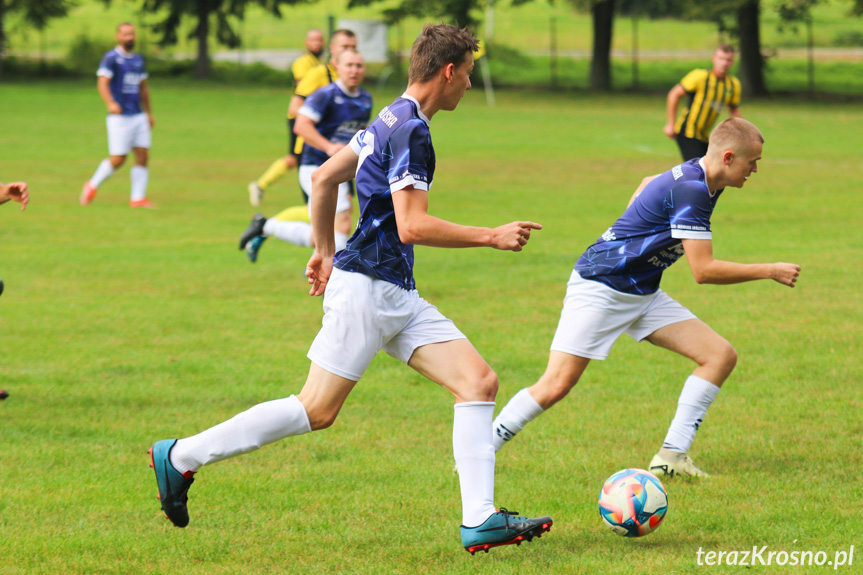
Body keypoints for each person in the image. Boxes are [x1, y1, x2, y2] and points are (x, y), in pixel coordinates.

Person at [149, 24, 552, 554]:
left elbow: (324, 178)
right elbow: (411, 226)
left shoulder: (387, 116)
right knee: (317, 409)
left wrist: (322, 249)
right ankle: (181, 456)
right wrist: (491, 235)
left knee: (478, 382)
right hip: (367, 290)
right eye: (469, 76)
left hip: (393, 291)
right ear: (449, 71)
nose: (471, 87)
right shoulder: (413, 131)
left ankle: (479, 519)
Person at [492, 118, 801, 479]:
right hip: (602, 287)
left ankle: (671, 456)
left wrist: (632, 229)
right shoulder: (695, 190)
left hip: (642, 290)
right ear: (729, 158)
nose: (756, 169)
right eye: (753, 162)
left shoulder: (703, 176)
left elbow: (646, 184)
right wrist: (769, 270)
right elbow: (703, 271)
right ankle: (480, 449)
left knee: (719, 356)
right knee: (556, 384)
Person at [239, 48, 372, 263]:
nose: (354, 70)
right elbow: (301, 126)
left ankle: (267, 227)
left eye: (359, 65)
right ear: (337, 67)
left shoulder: (365, 98)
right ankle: (328, 272)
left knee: (327, 232)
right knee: (340, 225)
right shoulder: (325, 95)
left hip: (339, 170)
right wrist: (329, 147)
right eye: (349, 65)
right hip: (315, 167)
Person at [247, 29, 356, 207]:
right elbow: (296, 106)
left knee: (344, 206)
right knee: (319, 206)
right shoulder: (314, 71)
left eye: (353, 47)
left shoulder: (348, 75)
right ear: (333, 48)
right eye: (345, 46)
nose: (349, 50)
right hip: (315, 145)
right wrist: (312, 127)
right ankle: (266, 220)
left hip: (340, 147)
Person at [81, 23, 156, 209]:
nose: (129, 37)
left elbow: (143, 88)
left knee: (143, 154)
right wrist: (111, 103)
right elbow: (102, 83)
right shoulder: (111, 58)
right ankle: (92, 185)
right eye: (125, 34)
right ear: (118, 36)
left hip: (138, 114)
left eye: (131, 33)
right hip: (119, 117)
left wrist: (149, 112)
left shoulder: (139, 59)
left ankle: (137, 198)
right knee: (119, 158)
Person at [664, 45, 742, 161]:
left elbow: (733, 109)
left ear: (732, 62)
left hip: (705, 136)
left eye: (728, 60)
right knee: (700, 171)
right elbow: (674, 94)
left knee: (712, 171)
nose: (724, 63)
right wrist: (670, 124)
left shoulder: (732, 84)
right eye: (721, 58)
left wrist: (741, 132)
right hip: (687, 132)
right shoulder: (699, 77)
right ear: (714, 59)